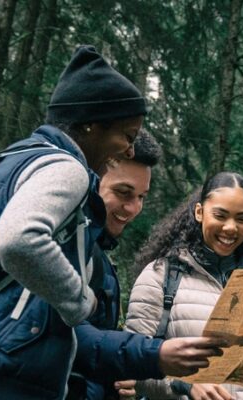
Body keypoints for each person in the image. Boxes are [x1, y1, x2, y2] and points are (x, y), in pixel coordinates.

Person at [0, 45, 223, 400]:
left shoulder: (13, 159)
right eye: (126, 135)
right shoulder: (68, 168)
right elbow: (16, 239)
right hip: (1, 382)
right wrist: (79, 301)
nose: (128, 149)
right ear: (91, 125)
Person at [125, 172, 243, 400]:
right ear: (199, 212)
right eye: (220, 215)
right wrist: (185, 385)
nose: (230, 228)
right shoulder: (161, 276)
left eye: (241, 218)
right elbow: (133, 362)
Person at [69, 130, 162, 400]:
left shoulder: (98, 254)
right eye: (123, 192)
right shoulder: (63, 250)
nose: (132, 208)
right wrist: (155, 358)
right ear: (91, 179)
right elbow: (68, 340)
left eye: (142, 197)